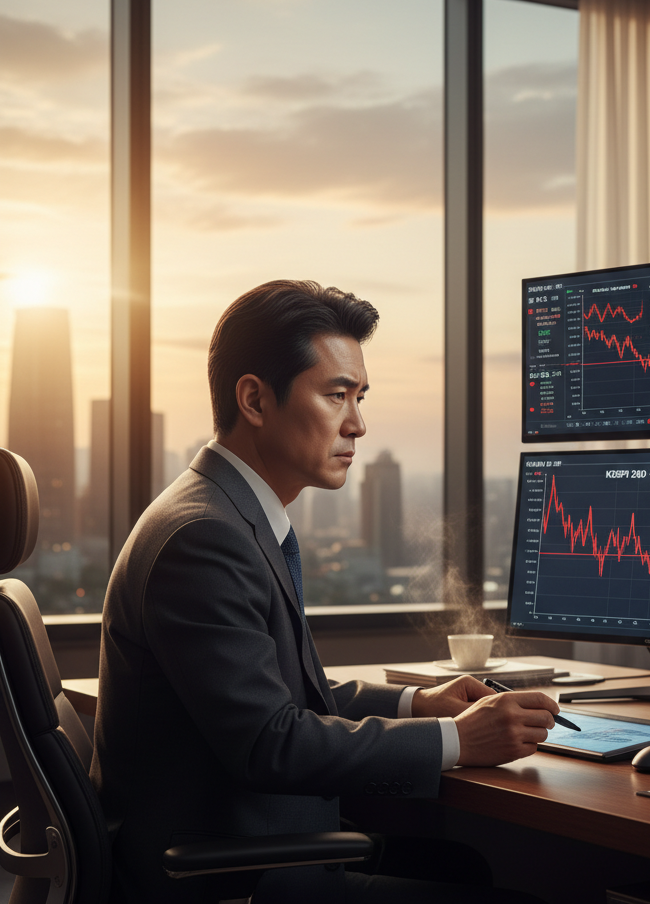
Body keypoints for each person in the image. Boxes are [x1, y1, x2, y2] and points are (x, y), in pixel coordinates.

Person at [90, 280, 558, 903]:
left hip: (243, 855)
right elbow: (269, 741)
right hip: (221, 881)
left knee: (463, 868)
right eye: (337, 395)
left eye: (360, 397)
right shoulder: (205, 537)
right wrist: (459, 741)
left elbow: (278, 694)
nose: (358, 424)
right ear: (255, 399)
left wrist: (420, 706)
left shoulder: (228, 516)